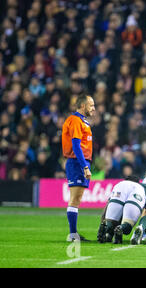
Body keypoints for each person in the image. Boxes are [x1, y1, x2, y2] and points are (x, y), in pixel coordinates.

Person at [61, 94, 95, 242]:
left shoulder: (82, 121)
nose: (93, 108)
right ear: (82, 106)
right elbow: (76, 145)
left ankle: (73, 233)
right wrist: (85, 167)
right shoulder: (75, 120)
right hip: (77, 162)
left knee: (77, 198)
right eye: (91, 105)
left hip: (80, 161)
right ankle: (72, 234)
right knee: (75, 199)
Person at [97, 175, 146, 244]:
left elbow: (108, 205)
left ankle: (107, 230)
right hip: (137, 191)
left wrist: (104, 221)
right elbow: (145, 211)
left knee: (111, 222)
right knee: (127, 227)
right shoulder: (140, 187)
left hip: (120, 188)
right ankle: (120, 228)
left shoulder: (119, 184)